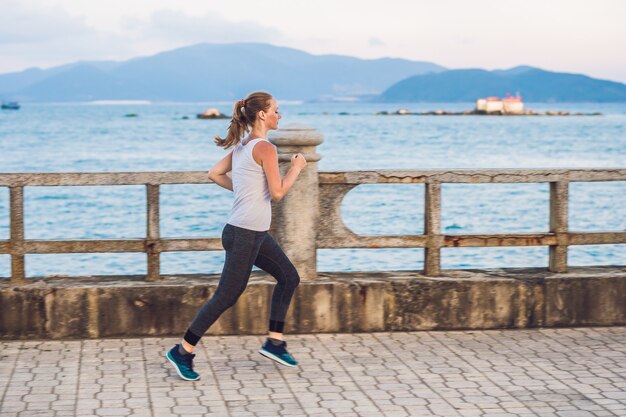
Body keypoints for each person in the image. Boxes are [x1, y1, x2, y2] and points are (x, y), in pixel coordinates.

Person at [166, 91, 307, 381]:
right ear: (263, 115)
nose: (280, 115)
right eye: (277, 111)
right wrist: (296, 168)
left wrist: (245, 192)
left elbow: (214, 173)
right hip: (244, 233)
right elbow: (278, 192)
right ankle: (182, 351)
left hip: (252, 233)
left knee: (289, 277)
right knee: (226, 296)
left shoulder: (244, 146)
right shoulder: (264, 148)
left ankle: (275, 342)